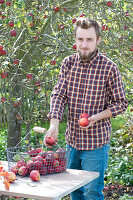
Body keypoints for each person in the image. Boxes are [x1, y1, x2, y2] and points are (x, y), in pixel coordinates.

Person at [45, 18, 128, 200]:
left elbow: (121, 103)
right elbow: (59, 95)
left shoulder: (109, 68)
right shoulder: (68, 63)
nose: (83, 45)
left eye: (89, 40)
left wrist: (96, 117)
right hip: (71, 142)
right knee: (75, 190)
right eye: (80, 39)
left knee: (92, 193)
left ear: (98, 40)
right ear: (75, 39)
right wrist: (54, 124)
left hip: (95, 145)